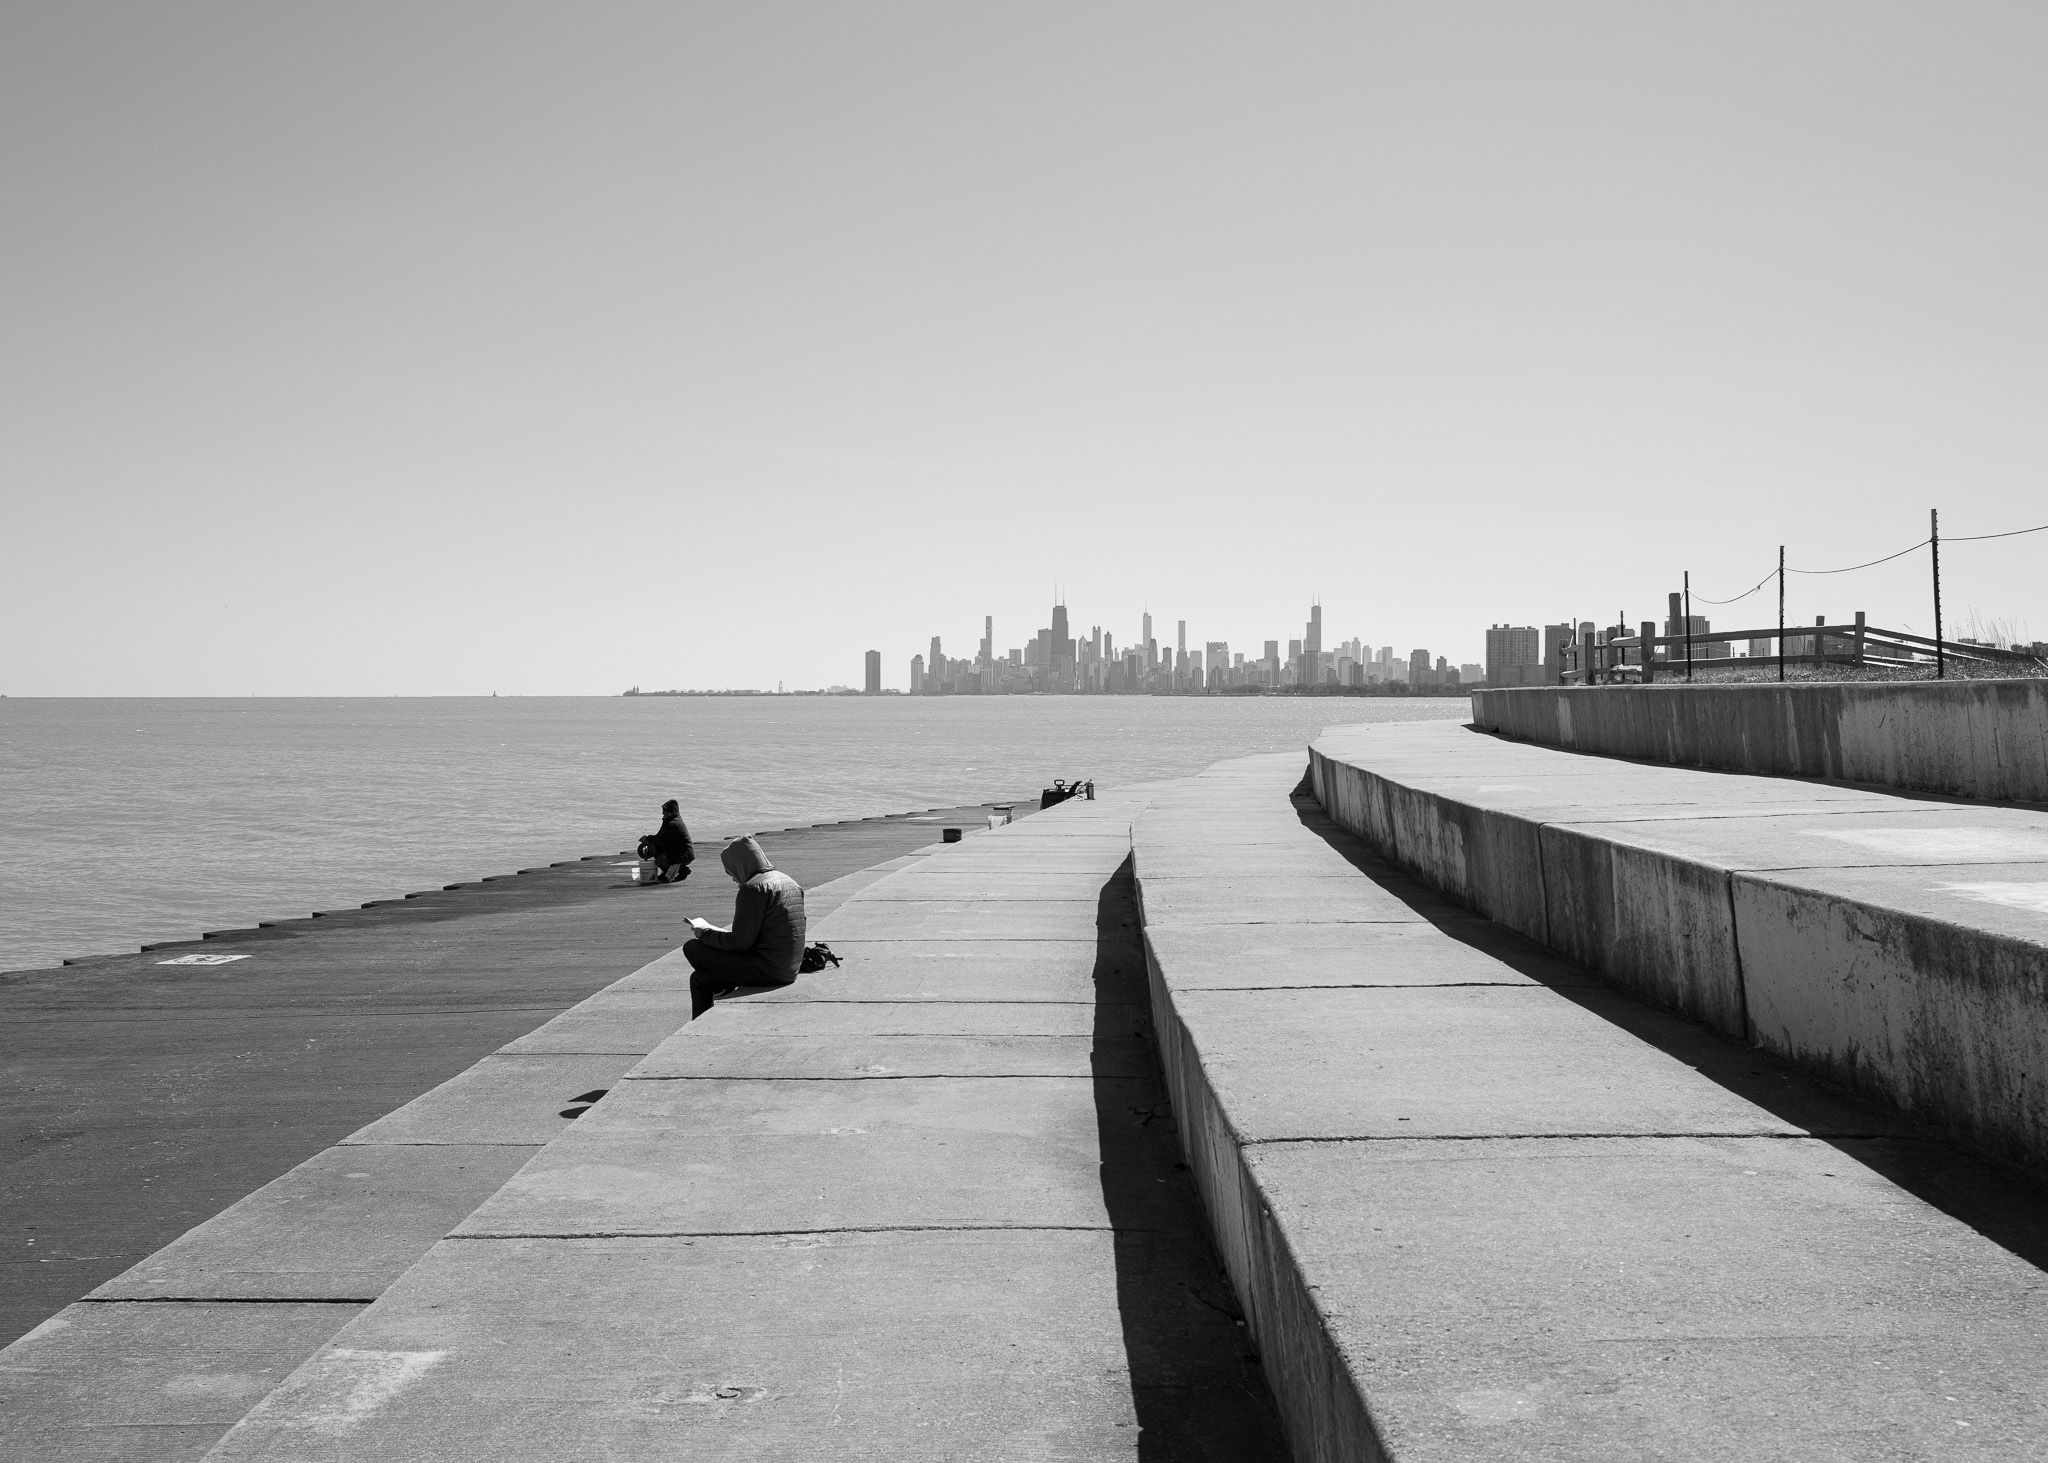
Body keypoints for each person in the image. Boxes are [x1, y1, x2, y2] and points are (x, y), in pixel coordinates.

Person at [682, 835, 806, 1018]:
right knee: (700, 979)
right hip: (789, 967)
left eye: (731, 872)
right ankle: (706, 1017)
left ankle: (726, 984)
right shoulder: (789, 881)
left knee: (692, 948)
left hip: (767, 969)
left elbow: (740, 943)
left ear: (740, 865)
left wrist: (704, 933)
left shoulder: (752, 889)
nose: (733, 878)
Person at [642, 799, 694, 884]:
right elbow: (659, 836)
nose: (662, 813)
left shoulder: (674, 824)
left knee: (660, 859)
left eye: (664, 811)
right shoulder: (667, 822)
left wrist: (649, 838)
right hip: (676, 850)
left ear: (670, 812)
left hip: (684, 854)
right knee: (655, 849)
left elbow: (663, 840)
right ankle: (668, 871)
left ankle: (683, 870)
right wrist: (649, 840)